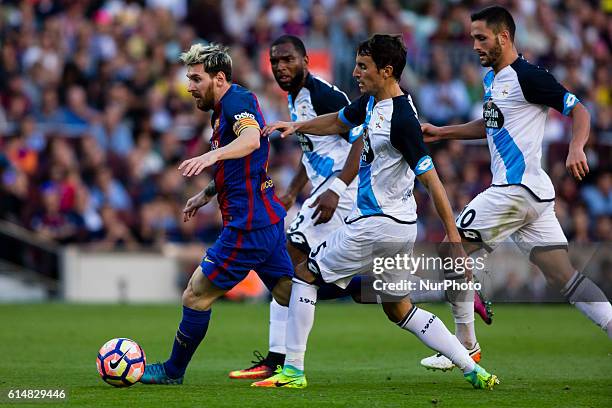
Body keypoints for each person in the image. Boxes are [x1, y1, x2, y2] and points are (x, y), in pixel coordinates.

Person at [252, 34, 499, 390]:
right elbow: (338, 121)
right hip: (399, 229)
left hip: (374, 224)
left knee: (304, 275)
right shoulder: (371, 103)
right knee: (398, 308)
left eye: (363, 66)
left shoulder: (401, 120)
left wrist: (455, 240)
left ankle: (292, 370)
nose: (355, 72)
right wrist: (296, 126)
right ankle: (473, 369)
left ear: (386, 71)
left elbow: (433, 182)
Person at [419, 5, 612, 372]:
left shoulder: (528, 76)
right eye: (473, 37)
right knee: (564, 277)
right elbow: (491, 125)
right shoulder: (494, 79)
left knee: (449, 249)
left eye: (481, 38)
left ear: (503, 37)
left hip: (515, 190)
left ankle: (466, 347)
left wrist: (576, 146)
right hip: (535, 198)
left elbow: (580, 110)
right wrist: (444, 132)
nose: (474, 45)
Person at [139, 43, 293, 385]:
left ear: (219, 78)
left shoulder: (235, 103)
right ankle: (377, 290)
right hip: (266, 218)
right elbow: (243, 165)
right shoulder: (228, 104)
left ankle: (172, 371)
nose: (189, 86)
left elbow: (251, 141)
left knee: (196, 294)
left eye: (195, 78)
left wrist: (211, 157)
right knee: (292, 292)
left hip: (247, 225)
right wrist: (207, 194)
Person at [227, 34, 364, 380]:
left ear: (305, 61)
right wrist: (291, 192)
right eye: (275, 62)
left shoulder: (323, 94)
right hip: (319, 190)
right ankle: (278, 358)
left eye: (288, 60)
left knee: (287, 269)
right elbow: (312, 148)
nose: (281, 67)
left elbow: (361, 140)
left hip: (339, 192)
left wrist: (336, 189)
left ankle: (284, 362)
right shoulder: (295, 97)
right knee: (289, 273)